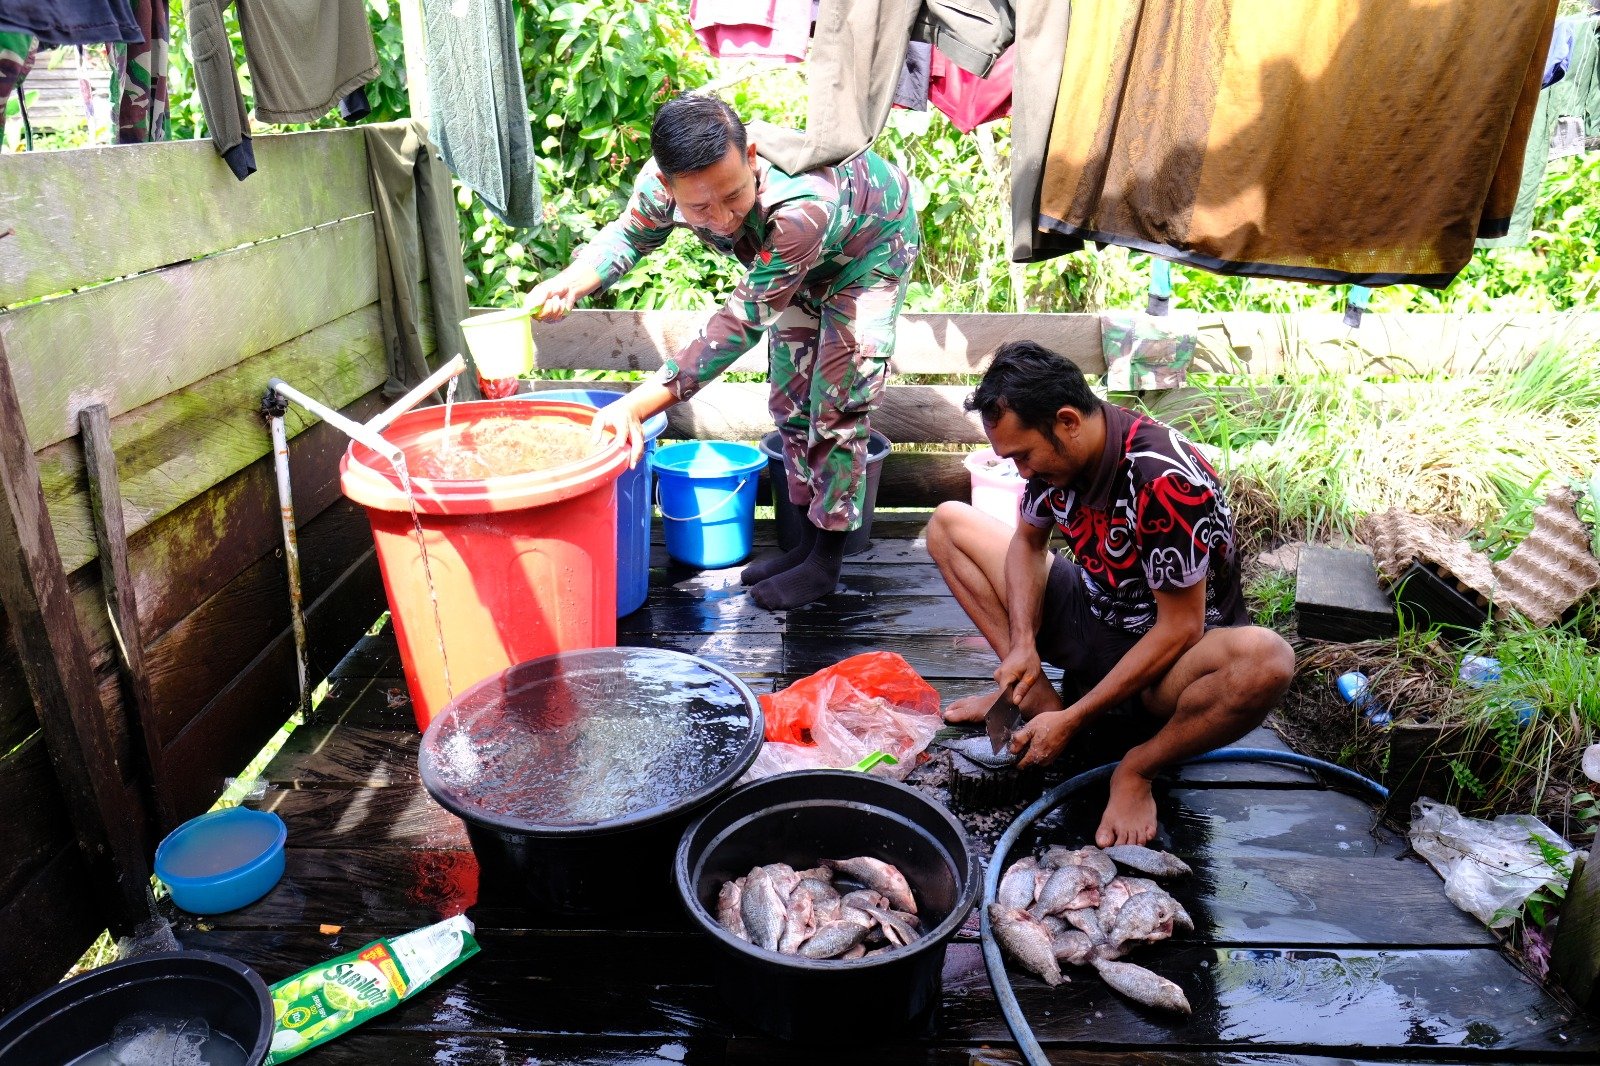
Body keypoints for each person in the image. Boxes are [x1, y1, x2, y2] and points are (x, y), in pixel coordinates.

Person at [526, 92, 920, 610]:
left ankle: (824, 562)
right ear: (668, 186)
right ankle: (801, 546)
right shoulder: (663, 181)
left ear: (752, 157)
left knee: (836, 404)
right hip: (793, 267)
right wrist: (573, 282)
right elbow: (628, 236)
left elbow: (740, 323)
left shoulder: (802, 205)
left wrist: (636, 405)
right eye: (699, 208)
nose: (723, 218)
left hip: (869, 252)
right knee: (790, 399)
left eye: (734, 196)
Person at [929, 341, 1296, 847]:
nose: (1023, 472)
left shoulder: (1164, 481)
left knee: (1268, 661)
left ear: (1067, 422)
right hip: (1098, 611)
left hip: (1170, 662)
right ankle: (1031, 695)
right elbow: (1027, 545)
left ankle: (1137, 769)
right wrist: (1022, 645)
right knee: (949, 526)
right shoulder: (1056, 462)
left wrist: (1077, 718)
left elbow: (1181, 628)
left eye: (1024, 455)